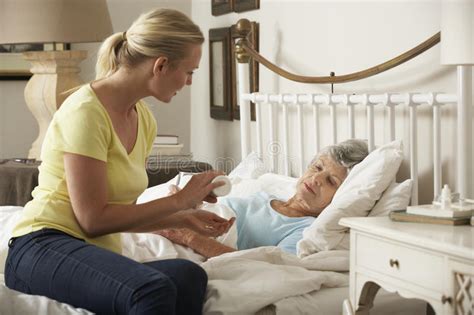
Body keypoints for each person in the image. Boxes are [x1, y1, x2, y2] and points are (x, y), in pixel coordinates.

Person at [4, 8, 233, 315]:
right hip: (41, 246)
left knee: (189, 275)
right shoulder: (85, 112)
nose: (190, 82)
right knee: (152, 289)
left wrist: (182, 220)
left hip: (87, 250)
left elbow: (119, 213)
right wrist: (179, 200)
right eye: (189, 71)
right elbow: (93, 219)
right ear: (161, 65)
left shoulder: (143, 119)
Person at [158, 139, 369, 258]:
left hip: (188, 246)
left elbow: (262, 268)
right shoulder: (264, 196)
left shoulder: (304, 231)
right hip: (178, 226)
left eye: (331, 181)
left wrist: (188, 236)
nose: (316, 179)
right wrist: (187, 205)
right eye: (318, 167)